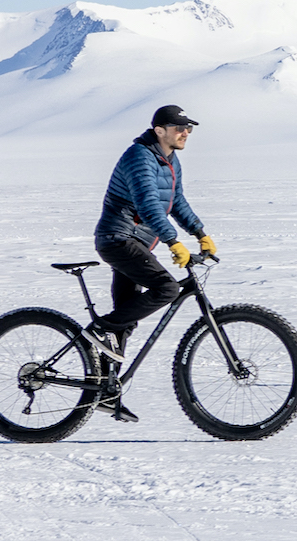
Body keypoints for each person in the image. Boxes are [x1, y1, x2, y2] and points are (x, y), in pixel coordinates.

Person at [86, 104, 218, 419]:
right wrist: (173, 241)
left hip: (137, 243)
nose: (186, 133)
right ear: (160, 130)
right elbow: (147, 204)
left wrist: (200, 233)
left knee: (124, 320)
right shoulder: (139, 157)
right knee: (166, 289)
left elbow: (176, 201)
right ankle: (96, 331)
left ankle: (103, 390)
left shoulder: (170, 161)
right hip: (118, 240)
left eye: (189, 128)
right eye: (179, 128)